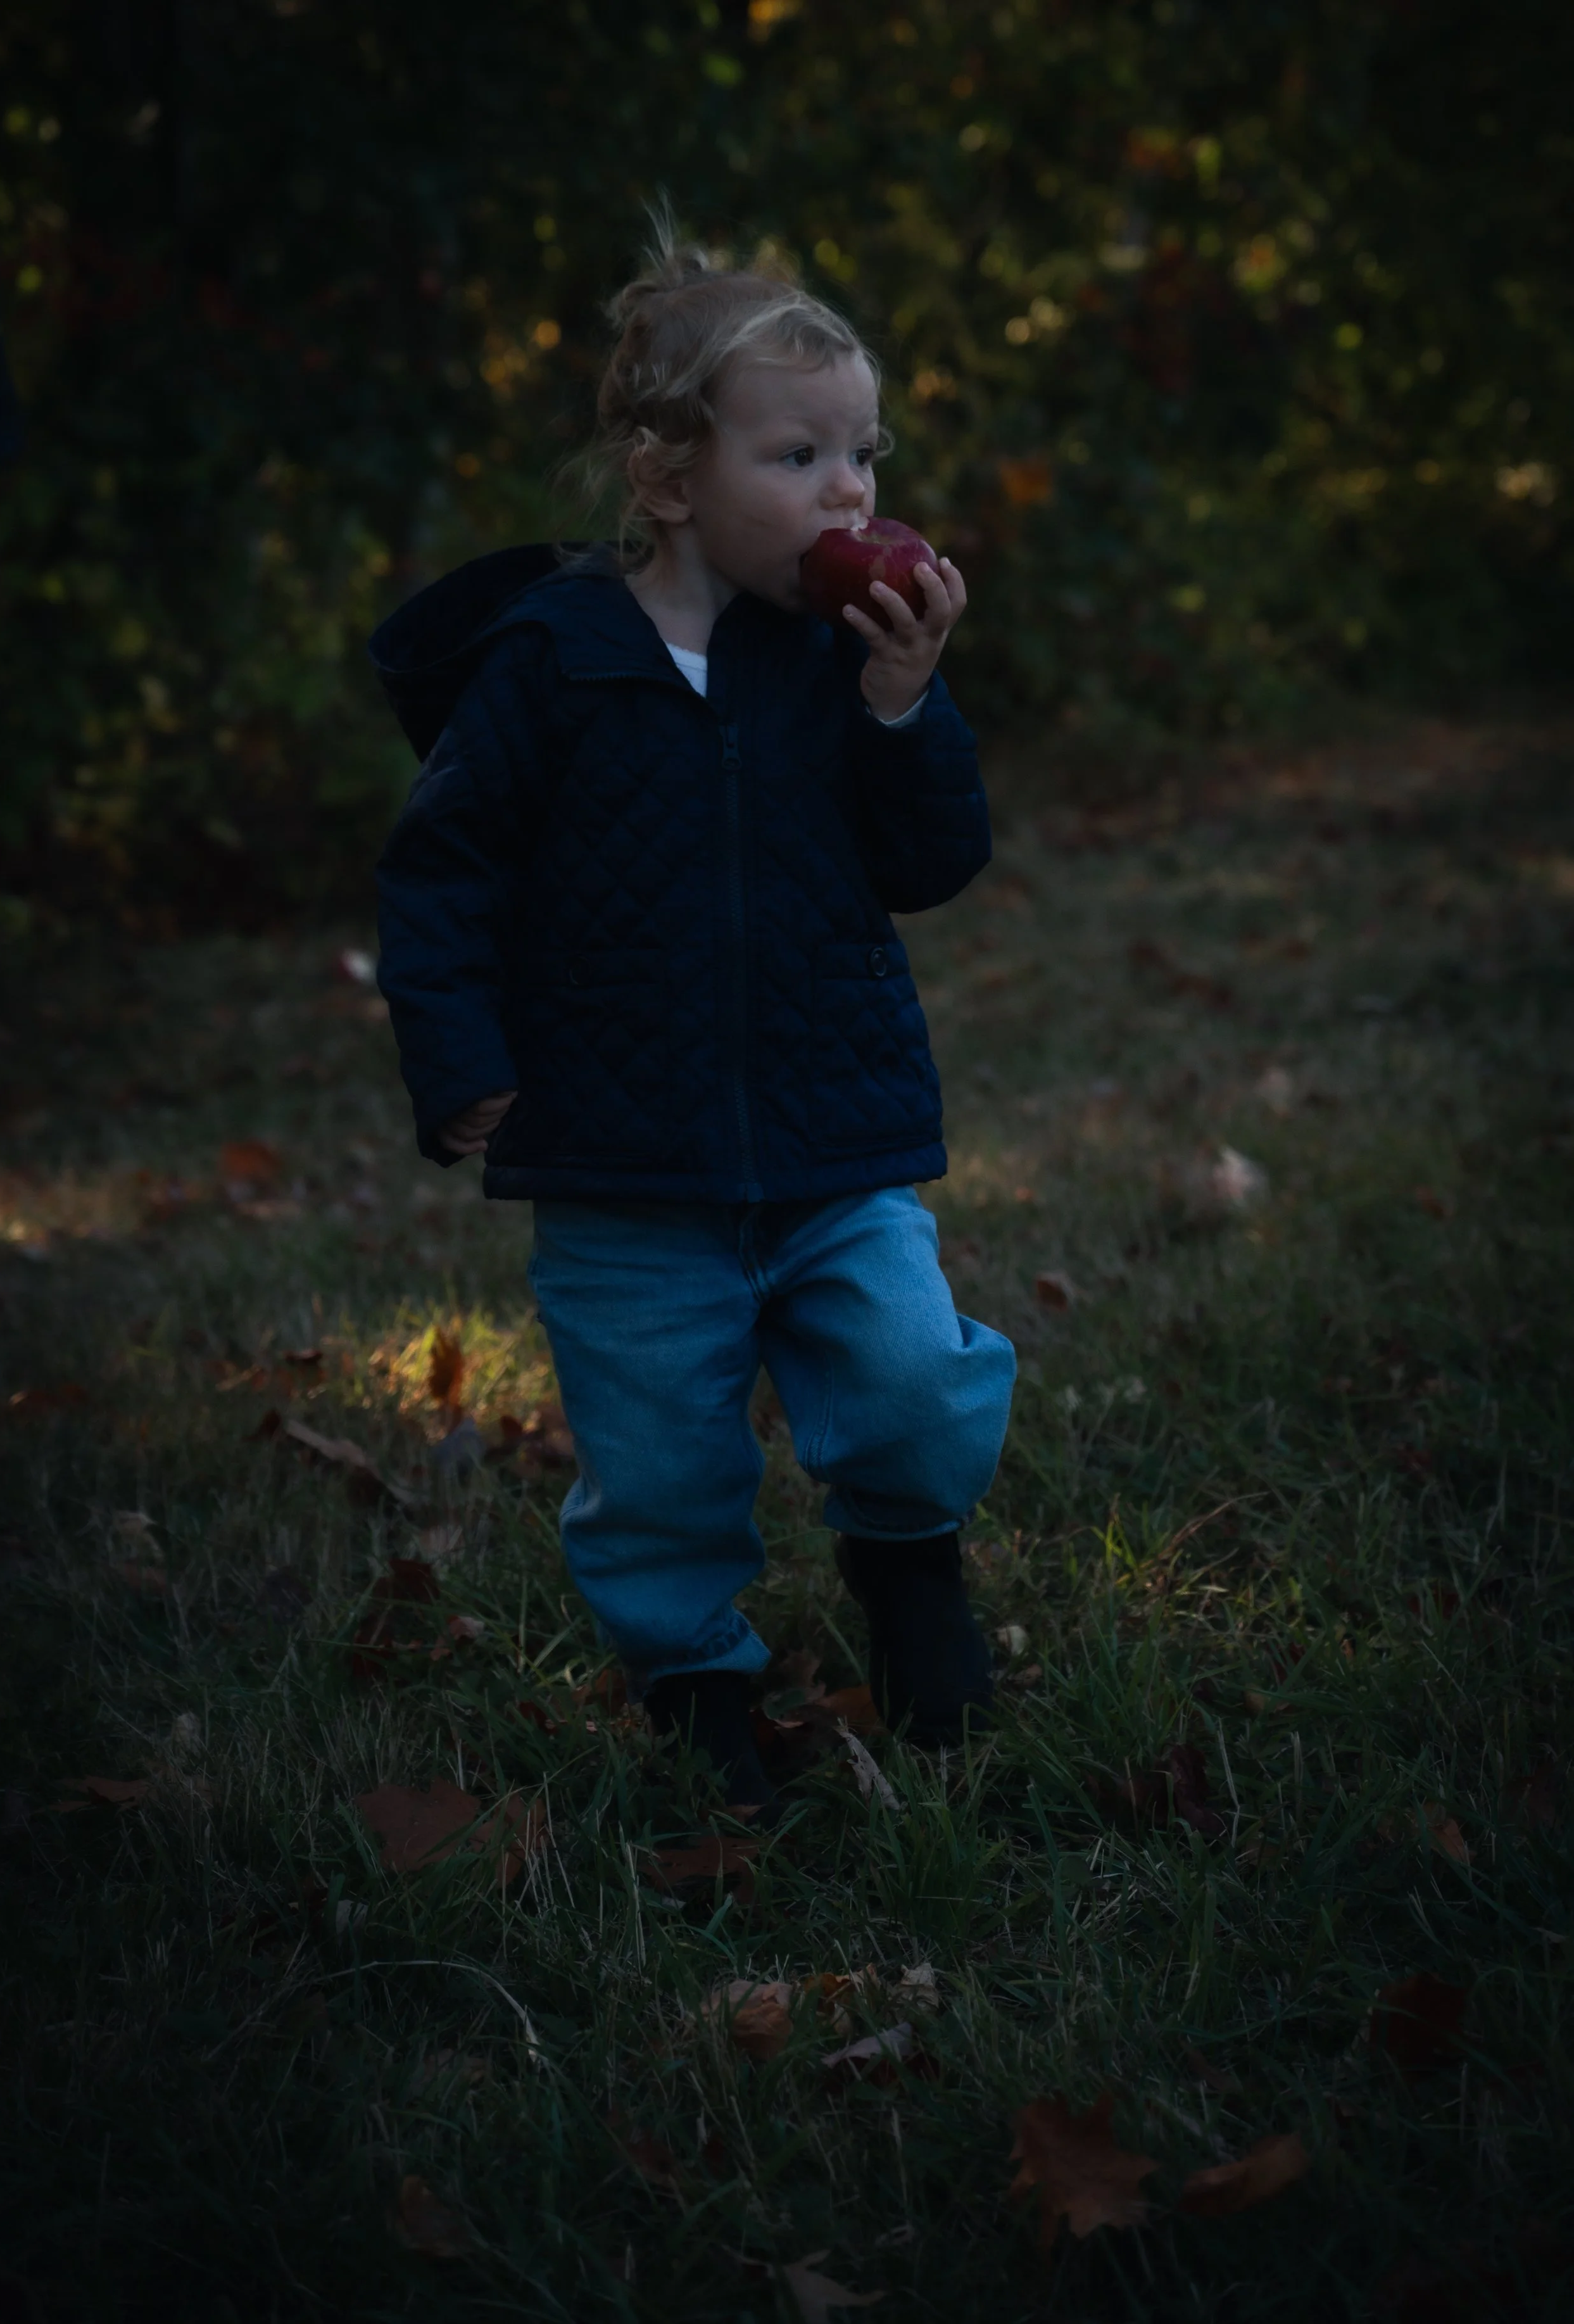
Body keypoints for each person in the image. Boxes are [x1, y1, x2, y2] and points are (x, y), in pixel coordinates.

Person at [372, 225, 1016, 1817]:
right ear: (666, 482)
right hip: (621, 1159)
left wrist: (902, 704)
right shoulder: (550, 662)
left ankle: (909, 1561)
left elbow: (929, 860)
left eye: (864, 453)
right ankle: (694, 1679)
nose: (850, 494)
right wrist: (459, 1059)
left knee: (908, 1368)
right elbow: (443, 867)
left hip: (828, 1132)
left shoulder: (839, 656)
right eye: (797, 454)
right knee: (657, 1459)